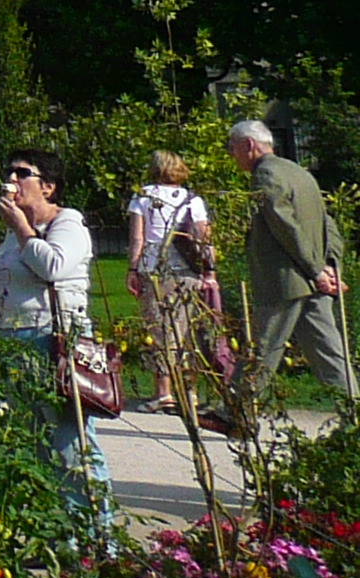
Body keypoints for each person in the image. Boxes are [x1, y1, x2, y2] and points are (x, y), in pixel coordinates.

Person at [0, 146, 112, 516]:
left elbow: (53, 266)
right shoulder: (13, 233)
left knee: (70, 445)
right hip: (15, 342)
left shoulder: (66, 223)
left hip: (52, 342)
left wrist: (24, 231)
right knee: (35, 446)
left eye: (21, 173)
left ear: (49, 186)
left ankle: (97, 538)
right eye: (8, 172)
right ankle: (59, 536)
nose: (11, 180)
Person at [229, 118, 353, 409]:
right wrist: (331, 267)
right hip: (313, 279)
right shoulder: (300, 173)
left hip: (286, 281)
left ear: (249, 145)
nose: (232, 155)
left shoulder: (266, 175)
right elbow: (327, 224)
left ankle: (236, 412)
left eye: (233, 147)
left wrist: (315, 269)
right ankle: (354, 414)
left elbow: (285, 225)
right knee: (330, 354)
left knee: (264, 347)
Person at [127, 151, 222, 412]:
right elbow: (204, 238)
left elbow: (138, 238)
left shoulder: (143, 197)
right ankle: (188, 391)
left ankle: (163, 392)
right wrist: (209, 273)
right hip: (188, 272)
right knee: (185, 330)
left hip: (155, 269)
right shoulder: (193, 199)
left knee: (160, 330)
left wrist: (133, 269)